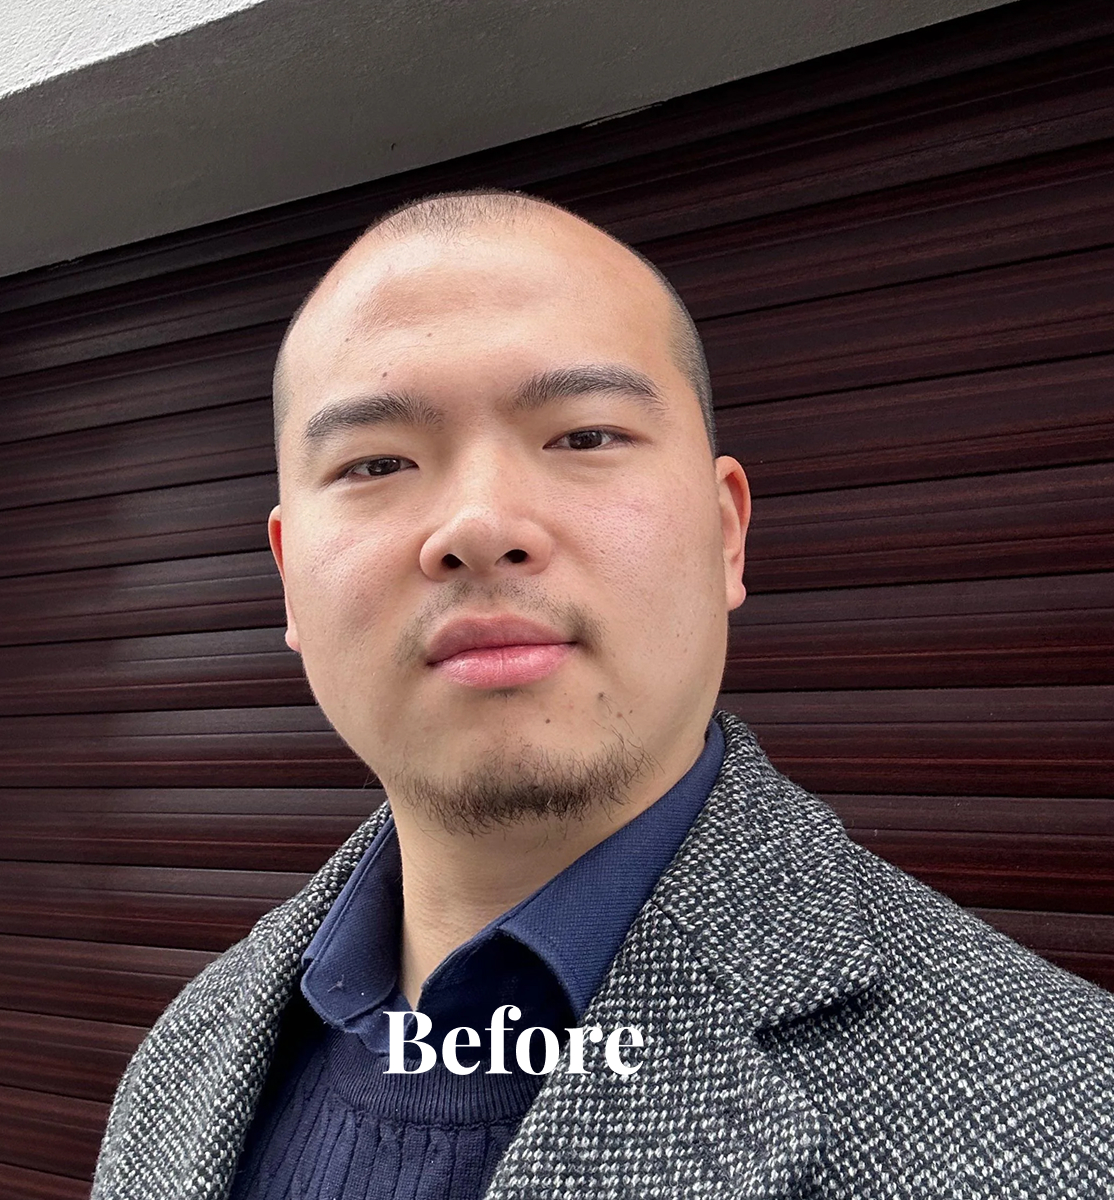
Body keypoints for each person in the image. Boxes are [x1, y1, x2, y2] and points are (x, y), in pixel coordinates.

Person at [91, 190, 1114, 1199]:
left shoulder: (1066, 1110)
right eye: (376, 462)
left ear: (725, 533)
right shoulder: (190, 1053)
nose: (480, 524)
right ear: (287, 578)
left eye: (583, 436)